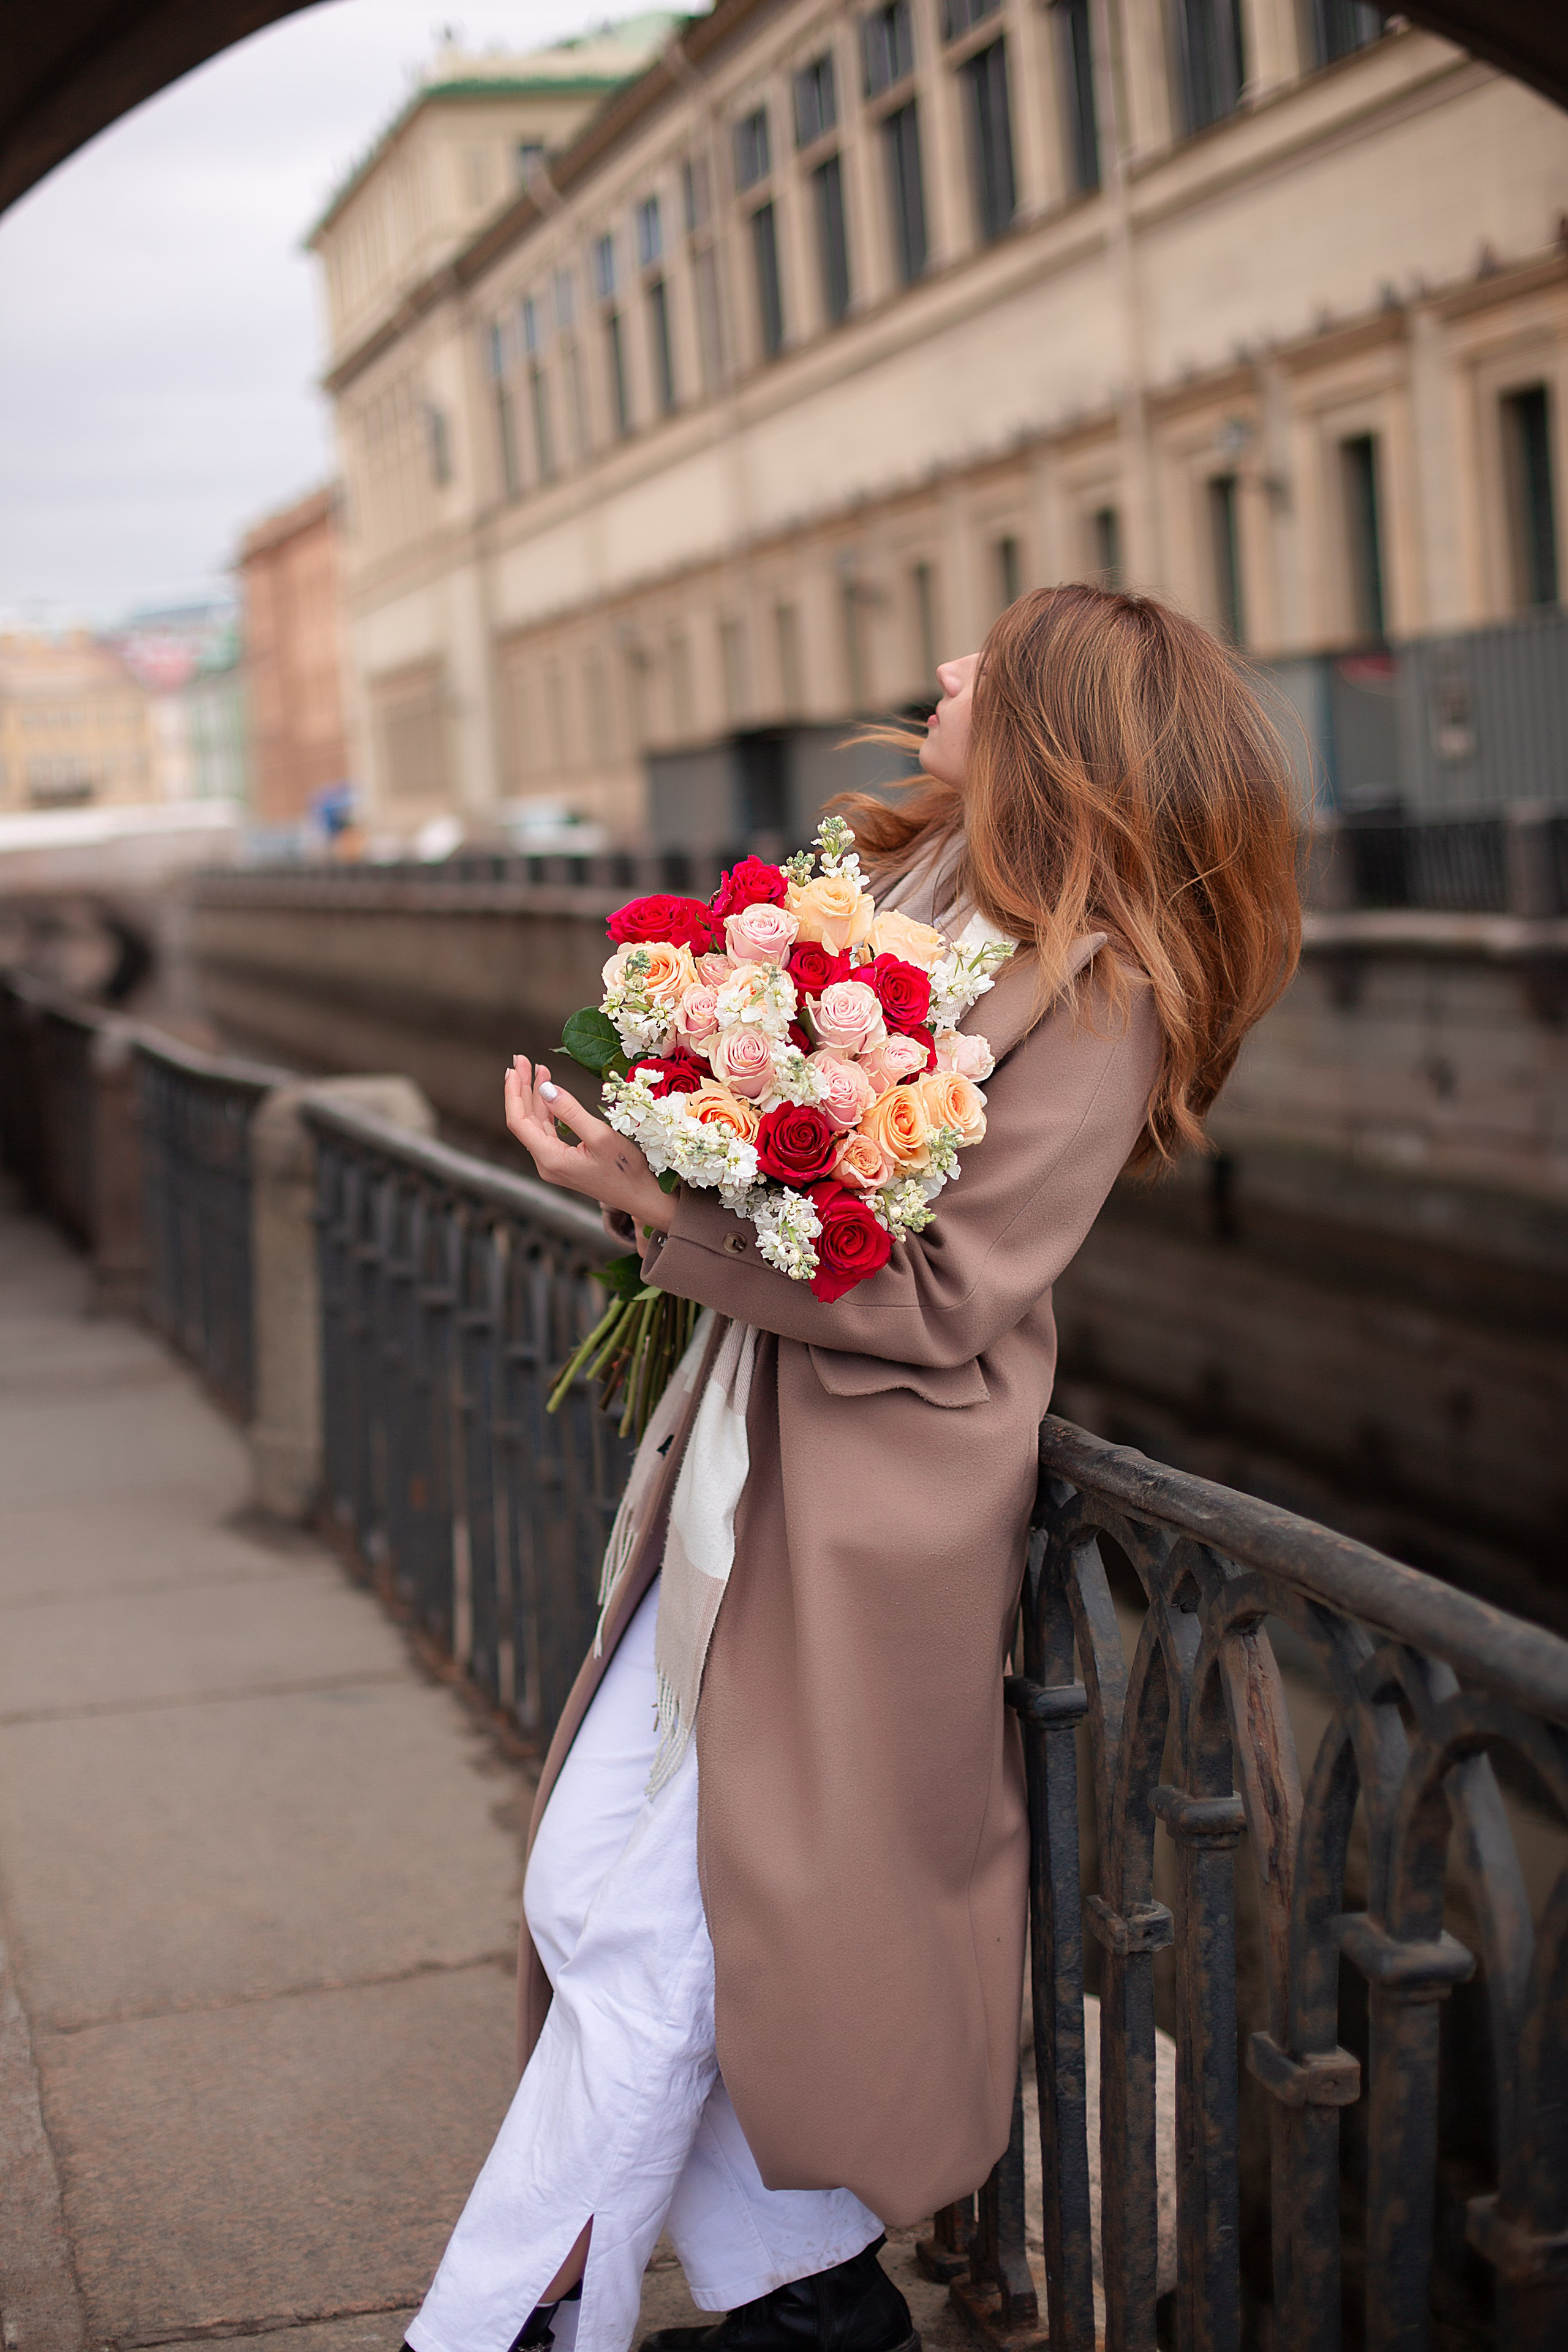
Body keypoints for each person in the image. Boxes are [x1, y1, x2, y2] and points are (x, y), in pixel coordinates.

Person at [405, 584, 1302, 2352]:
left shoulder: (1100, 982)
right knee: (612, 1881)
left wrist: (652, 1200)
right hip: (753, 1444)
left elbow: (949, 1289)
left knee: (657, 1928)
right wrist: (681, 1133)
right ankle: (812, 2313)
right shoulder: (900, 887)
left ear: (1056, 722)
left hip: (872, 1497)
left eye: (989, 658)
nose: (948, 672)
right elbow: (792, 1194)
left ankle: (491, 2324)